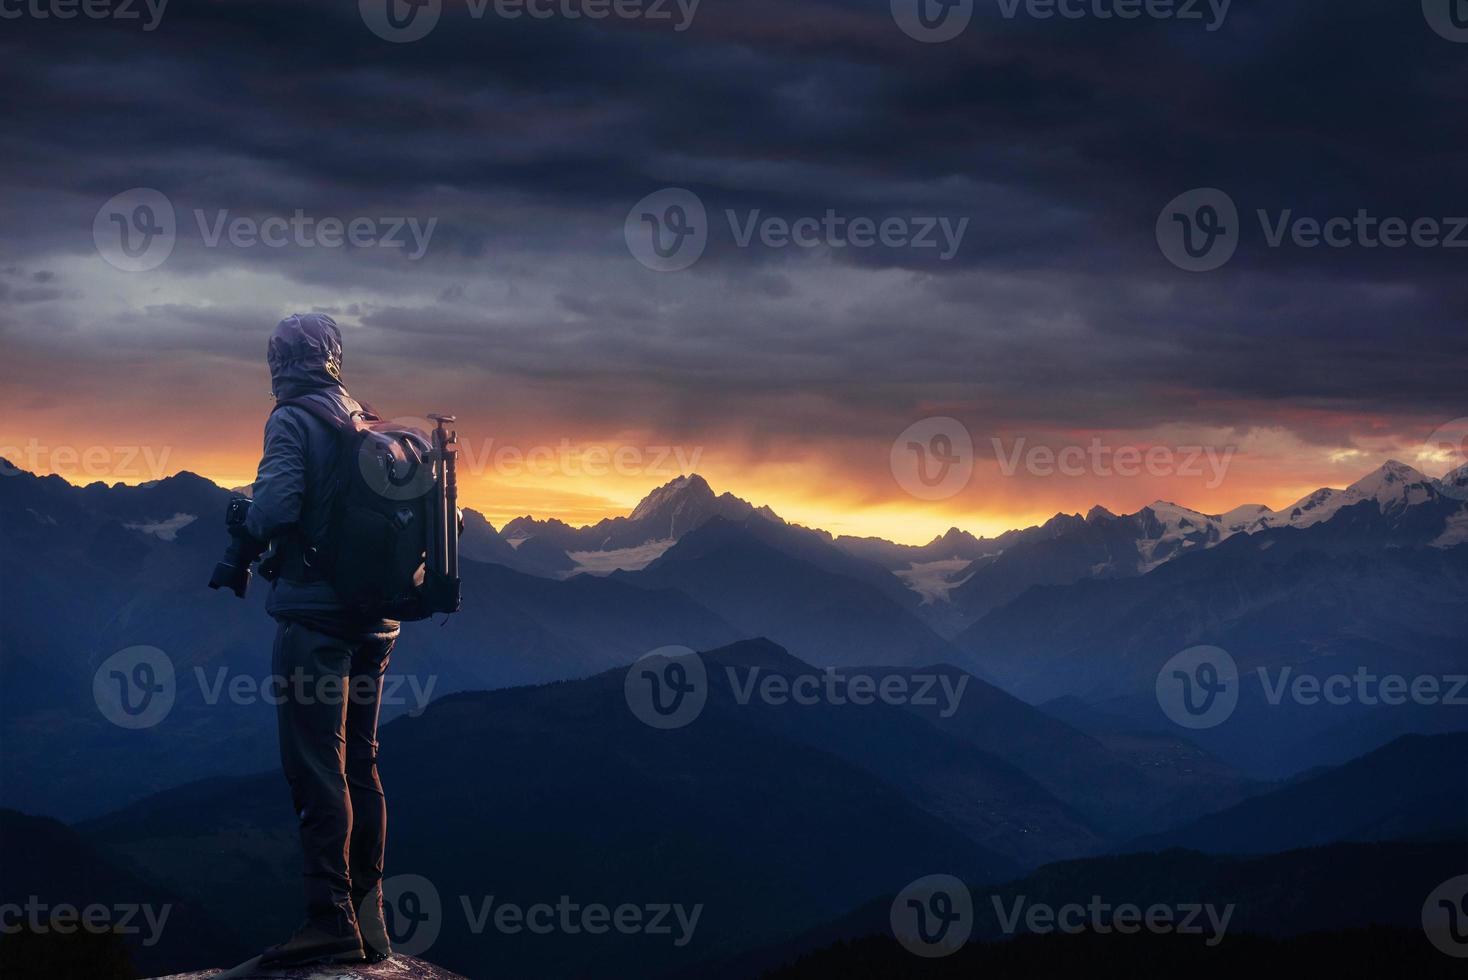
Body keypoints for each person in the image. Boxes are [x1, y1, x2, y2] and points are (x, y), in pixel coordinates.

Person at [225, 312, 399, 966]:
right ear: (333, 355)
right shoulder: (361, 414)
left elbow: (274, 509)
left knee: (316, 766)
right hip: (376, 621)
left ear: (278, 360)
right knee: (361, 762)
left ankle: (328, 921)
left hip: (317, 620)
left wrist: (247, 526)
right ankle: (370, 922)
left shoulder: (293, 419)